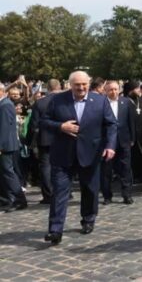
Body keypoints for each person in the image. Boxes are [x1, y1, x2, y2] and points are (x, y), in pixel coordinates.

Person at [41, 71, 117, 245]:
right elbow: (44, 121)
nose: (81, 88)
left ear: (88, 84)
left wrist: (110, 146)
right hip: (63, 155)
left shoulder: (100, 100)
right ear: (70, 85)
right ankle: (55, 230)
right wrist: (61, 126)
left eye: (84, 84)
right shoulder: (58, 100)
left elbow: (111, 124)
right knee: (59, 192)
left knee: (90, 190)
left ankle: (88, 219)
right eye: (77, 85)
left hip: (91, 154)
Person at [27, 79, 62, 204]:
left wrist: (30, 141)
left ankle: (48, 195)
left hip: (45, 139)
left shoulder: (40, 102)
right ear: (59, 87)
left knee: (46, 167)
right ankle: (64, 193)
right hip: (62, 138)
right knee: (62, 167)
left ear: (48, 88)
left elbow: (34, 124)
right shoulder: (65, 101)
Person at [101, 81, 136, 204]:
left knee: (126, 168)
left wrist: (132, 138)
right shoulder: (101, 103)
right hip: (107, 142)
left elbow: (131, 121)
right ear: (105, 91)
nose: (113, 92)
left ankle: (127, 194)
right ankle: (107, 196)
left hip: (124, 140)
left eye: (116, 89)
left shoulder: (126, 102)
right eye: (110, 89)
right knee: (106, 170)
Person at [0, 82, 28, 212]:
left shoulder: (5, 105)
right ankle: (8, 198)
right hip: (6, 144)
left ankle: (19, 199)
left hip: (6, 145)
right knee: (6, 173)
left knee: (8, 173)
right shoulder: (5, 104)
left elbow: (4, 128)